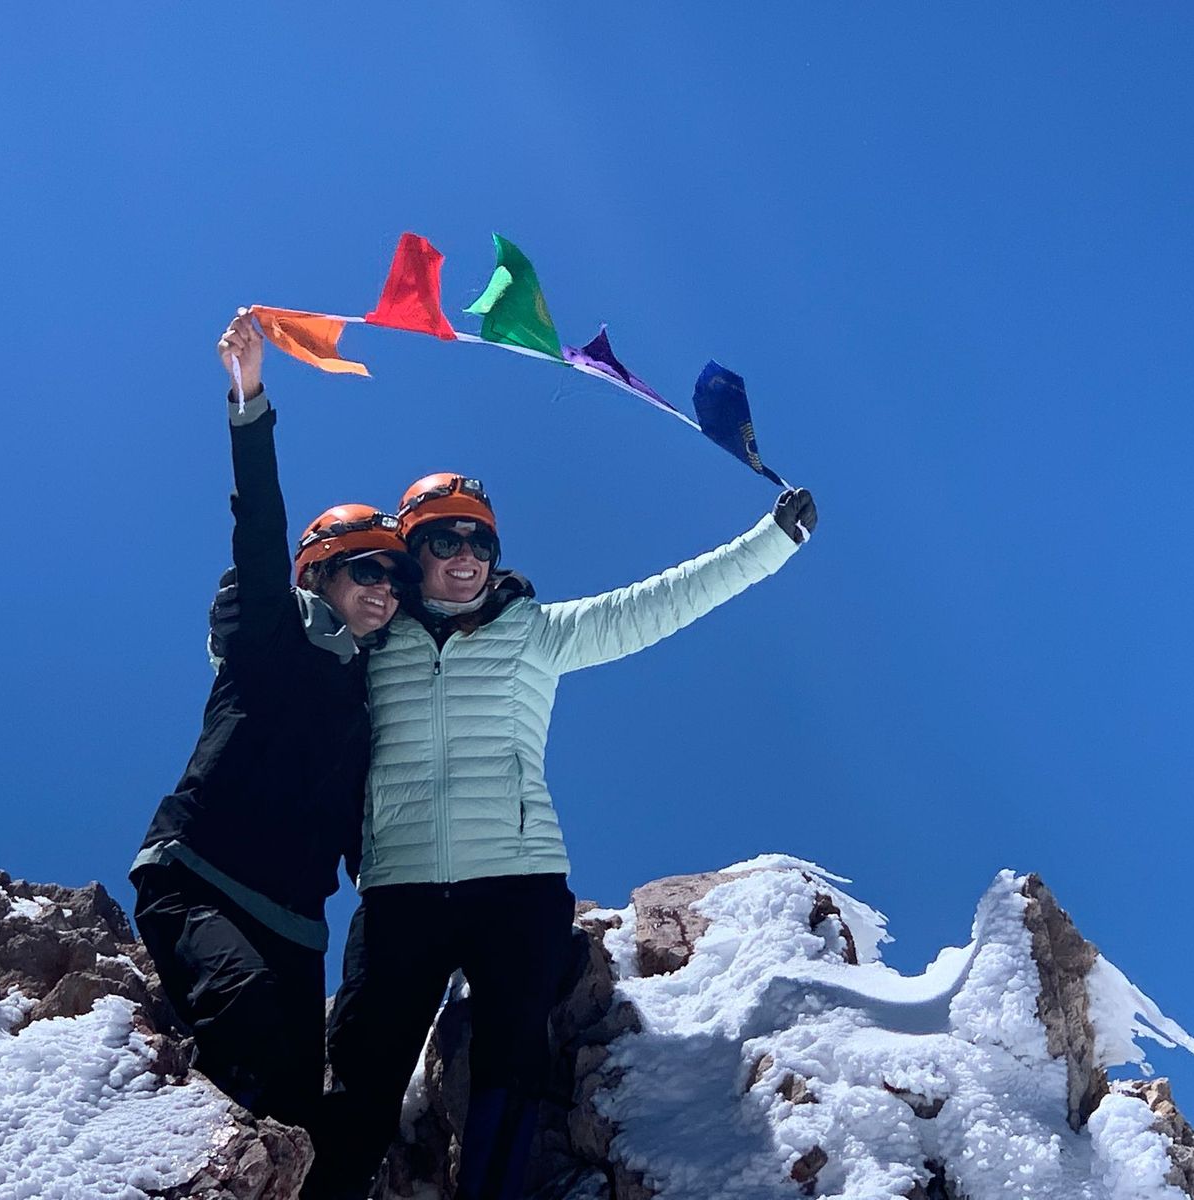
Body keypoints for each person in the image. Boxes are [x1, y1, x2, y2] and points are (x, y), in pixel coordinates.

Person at [320, 472, 817, 1200]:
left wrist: (771, 543)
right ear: (408, 550)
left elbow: (660, 602)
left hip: (516, 885)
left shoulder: (536, 632)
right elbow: (273, 662)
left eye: (479, 540)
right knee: (362, 1072)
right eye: (442, 539)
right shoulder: (370, 637)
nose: (465, 556)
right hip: (400, 889)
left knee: (511, 1069)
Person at [130, 312, 416, 1192]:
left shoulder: (370, 704)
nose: (384, 588)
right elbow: (258, 528)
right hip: (197, 880)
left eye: (395, 577)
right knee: (247, 1021)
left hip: (297, 927)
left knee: (304, 1111)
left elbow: (364, 833)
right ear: (319, 575)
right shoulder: (264, 633)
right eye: (365, 568)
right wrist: (249, 397)